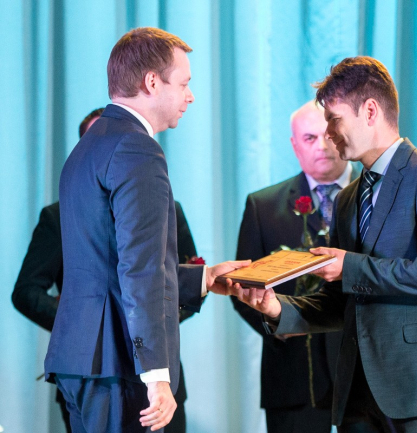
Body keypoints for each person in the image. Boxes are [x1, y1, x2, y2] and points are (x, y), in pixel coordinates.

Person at [230, 56, 417, 432]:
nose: (329, 133)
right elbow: (339, 302)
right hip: (357, 397)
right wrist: (278, 309)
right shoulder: (348, 197)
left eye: (334, 119)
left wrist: (351, 266)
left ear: (371, 111)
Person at [43, 27, 248, 433]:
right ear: (152, 82)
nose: (191, 96)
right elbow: (140, 268)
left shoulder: (90, 145)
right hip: (118, 362)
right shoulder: (137, 148)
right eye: (184, 84)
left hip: (79, 359)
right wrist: (156, 374)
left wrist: (205, 278)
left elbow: (108, 263)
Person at [12, 108, 197, 433]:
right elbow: (26, 291)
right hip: (100, 368)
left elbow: (163, 280)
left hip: (155, 367)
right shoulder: (59, 215)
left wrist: (201, 283)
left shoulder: (166, 206)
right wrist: (88, 322)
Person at [233, 101, 361, 433]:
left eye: (327, 135)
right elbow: (241, 288)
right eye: (309, 138)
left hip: (365, 373)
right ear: (294, 145)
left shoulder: (377, 196)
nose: (322, 146)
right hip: (292, 376)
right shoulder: (263, 206)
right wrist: (279, 324)